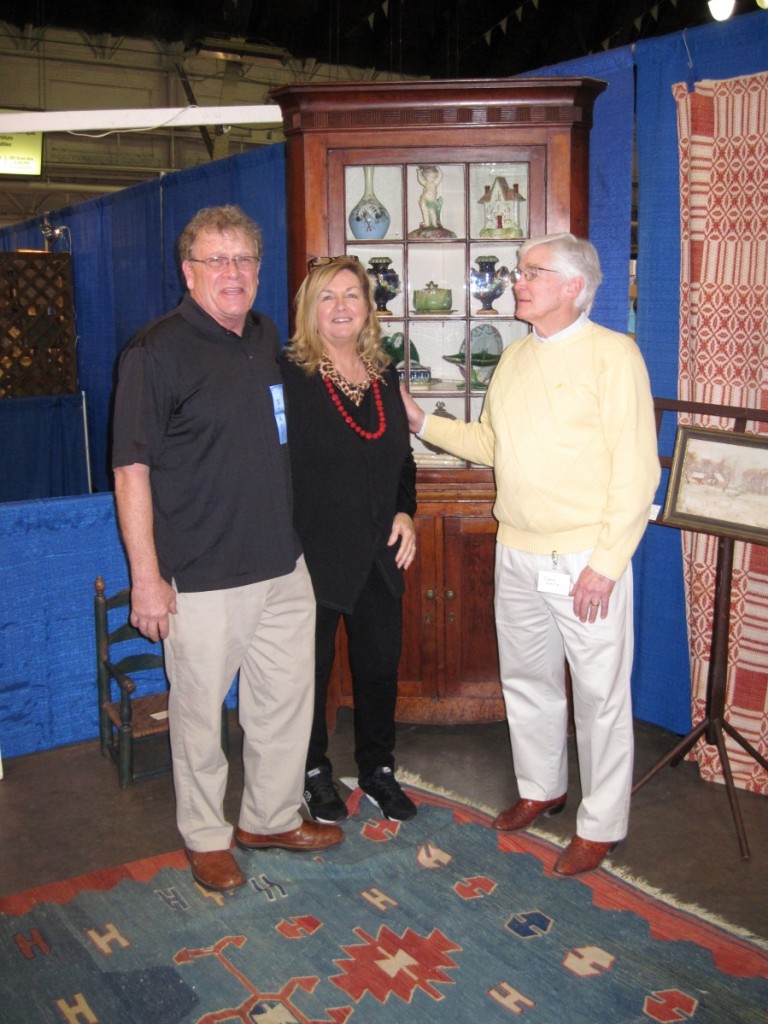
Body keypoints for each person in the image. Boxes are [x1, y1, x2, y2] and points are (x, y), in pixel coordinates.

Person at [400, 233, 660, 876]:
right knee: (527, 682)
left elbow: (637, 471)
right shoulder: (513, 359)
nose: (518, 281)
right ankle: (542, 788)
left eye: (533, 272)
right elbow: (493, 443)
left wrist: (606, 562)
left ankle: (601, 824)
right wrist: (420, 421)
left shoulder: (614, 355)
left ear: (574, 287)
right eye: (521, 271)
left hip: (585, 559)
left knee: (600, 697)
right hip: (514, 550)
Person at [111, 205, 343, 894]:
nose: (233, 273)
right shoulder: (153, 351)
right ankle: (207, 837)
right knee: (199, 718)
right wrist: (147, 578)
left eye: (244, 260)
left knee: (282, 705)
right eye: (217, 261)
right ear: (189, 272)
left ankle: (269, 817)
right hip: (203, 577)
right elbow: (130, 470)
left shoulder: (267, 335)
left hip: (281, 564)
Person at [280, 255, 418, 823]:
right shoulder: (289, 376)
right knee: (307, 671)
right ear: (310, 310)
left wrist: (407, 514)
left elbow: (402, 461)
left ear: (368, 308)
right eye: (327, 297)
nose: (340, 306)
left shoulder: (384, 374)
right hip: (313, 554)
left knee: (379, 667)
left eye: (351, 295)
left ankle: (378, 768)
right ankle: (312, 770)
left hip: (382, 554)